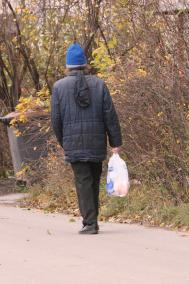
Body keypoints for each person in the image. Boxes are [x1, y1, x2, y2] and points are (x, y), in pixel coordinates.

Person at [50, 43, 122, 235]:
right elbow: (110, 116)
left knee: (83, 181)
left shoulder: (58, 87)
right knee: (93, 181)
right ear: (85, 64)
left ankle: (89, 223)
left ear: (68, 66)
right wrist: (115, 143)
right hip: (97, 142)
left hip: (73, 143)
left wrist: (64, 142)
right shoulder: (99, 84)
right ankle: (93, 220)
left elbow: (56, 120)